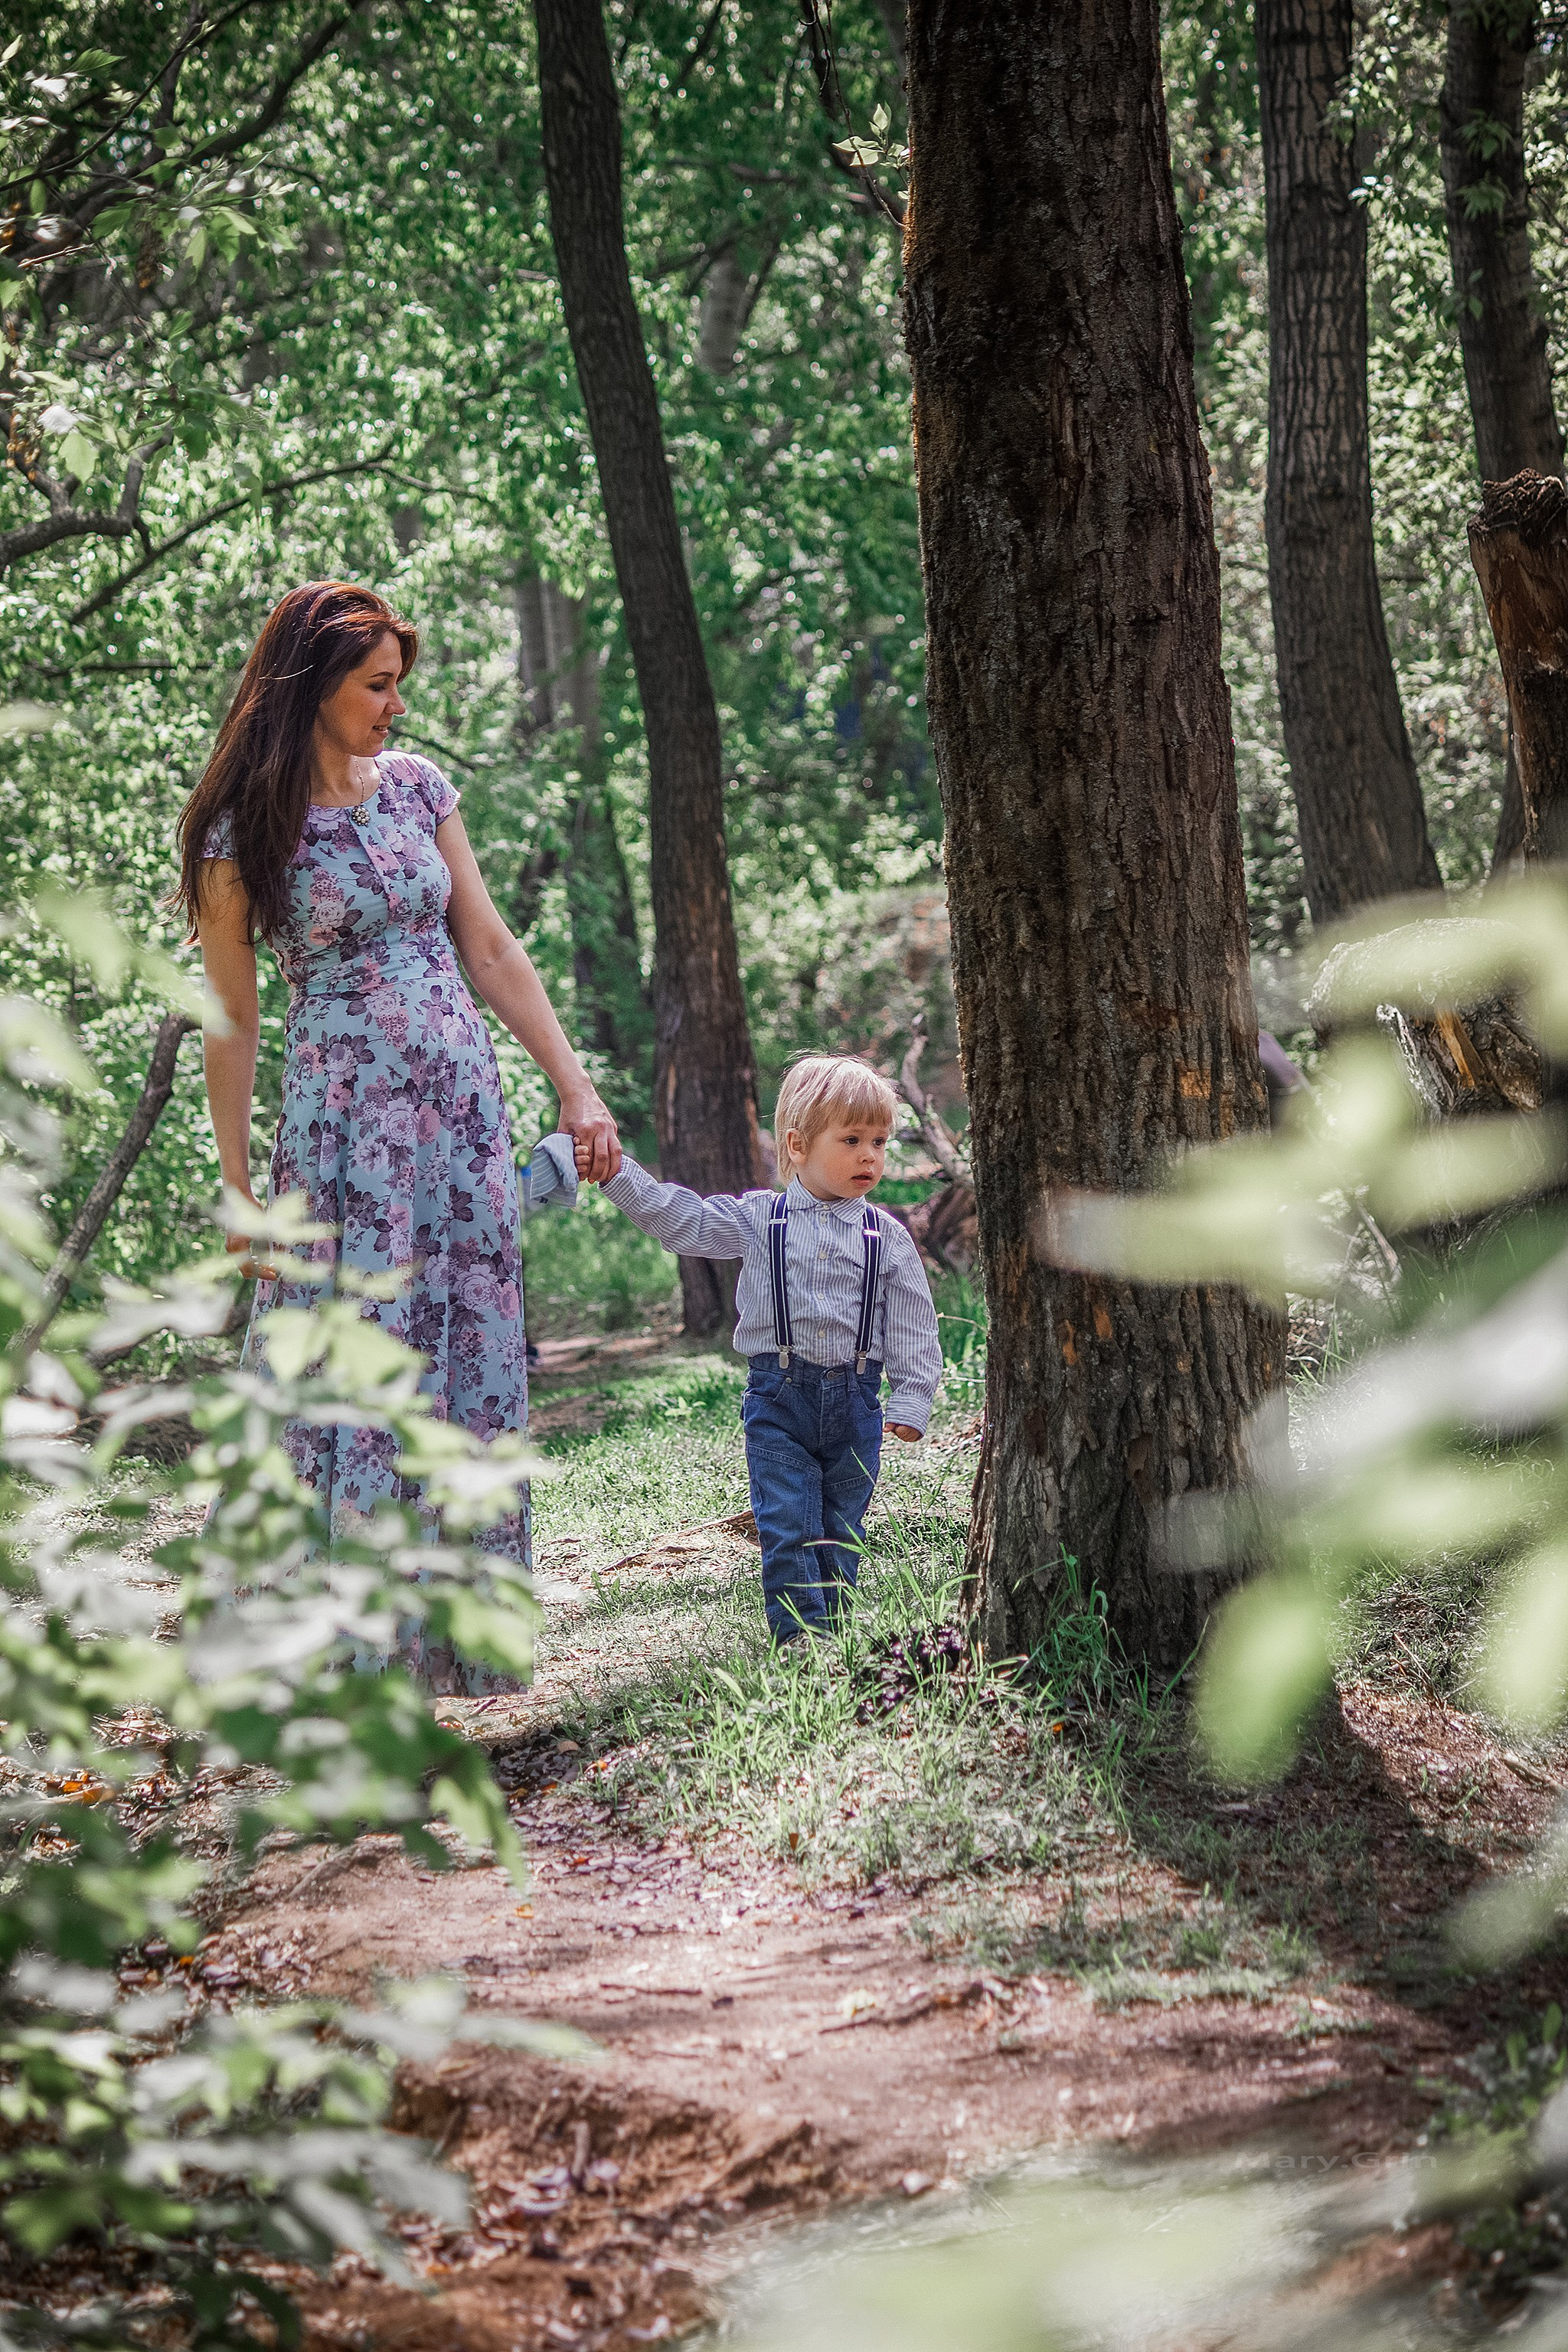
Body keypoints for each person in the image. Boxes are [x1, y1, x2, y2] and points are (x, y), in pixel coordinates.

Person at [175, 580, 621, 1689]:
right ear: (314, 684)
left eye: (398, 687)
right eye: (376, 686)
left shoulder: (420, 790)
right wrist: (239, 1191)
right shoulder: (244, 832)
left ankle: (453, 1648)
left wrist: (574, 1086)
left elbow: (492, 948)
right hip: (342, 1147)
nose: (394, 707)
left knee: (465, 1357)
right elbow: (231, 1021)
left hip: (460, 1120)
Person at [581, 1054, 942, 1643]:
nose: (870, 1156)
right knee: (786, 1523)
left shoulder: (888, 1236)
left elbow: (913, 1325)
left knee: (840, 1525)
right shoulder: (760, 1219)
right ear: (797, 1145)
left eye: (880, 1140)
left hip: (857, 1404)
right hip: (778, 1401)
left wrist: (912, 1400)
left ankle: (836, 1632)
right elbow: (685, 1220)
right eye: (851, 1139)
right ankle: (801, 1641)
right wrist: (618, 1174)